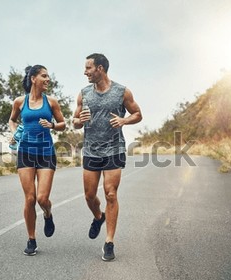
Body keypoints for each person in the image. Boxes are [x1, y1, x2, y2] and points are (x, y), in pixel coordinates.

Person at [73, 53, 142, 261]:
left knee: (110, 194)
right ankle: (98, 216)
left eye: (88, 68)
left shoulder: (122, 91)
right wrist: (79, 121)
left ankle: (109, 242)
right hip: (92, 150)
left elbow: (138, 114)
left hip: (114, 148)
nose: (85, 72)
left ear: (100, 68)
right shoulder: (84, 93)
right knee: (89, 195)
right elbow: (75, 121)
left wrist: (123, 121)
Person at [9, 65, 66, 256]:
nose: (48, 79)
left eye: (48, 76)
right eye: (44, 76)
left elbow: (62, 124)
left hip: (46, 152)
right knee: (30, 198)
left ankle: (48, 214)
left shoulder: (51, 102)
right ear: (33, 78)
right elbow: (12, 120)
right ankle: (31, 239)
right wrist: (14, 134)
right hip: (25, 152)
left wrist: (51, 125)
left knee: (42, 198)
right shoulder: (19, 101)